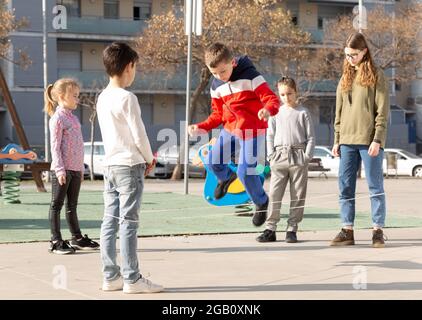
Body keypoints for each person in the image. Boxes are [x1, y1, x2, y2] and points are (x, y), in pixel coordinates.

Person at [188, 43, 280, 226]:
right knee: (213, 161)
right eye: (214, 73)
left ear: (232, 62)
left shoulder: (251, 77)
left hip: (253, 130)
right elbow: (217, 114)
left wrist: (268, 110)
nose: (219, 77)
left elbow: (271, 98)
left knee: (245, 171)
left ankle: (261, 201)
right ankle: (226, 178)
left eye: (223, 71)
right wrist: (201, 127)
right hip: (231, 129)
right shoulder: (216, 86)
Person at [97, 42, 163, 294]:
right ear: (128, 67)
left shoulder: (102, 97)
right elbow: (139, 135)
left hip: (110, 165)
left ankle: (110, 276)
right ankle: (132, 279)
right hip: (130, 164)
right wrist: (150, 158)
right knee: (129, 223)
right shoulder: (128, 98)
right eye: (135, 67)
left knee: (109, 221)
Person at [330, 32, 389, 248]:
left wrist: (378, 139)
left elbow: (382, 111)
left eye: (353, 54)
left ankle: (377, 231)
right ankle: (347, 231)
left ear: (364, 51)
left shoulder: (377, 75)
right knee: (345, 187)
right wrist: (336, 140)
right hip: (346, 141)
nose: (350, 59)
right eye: (346, 55)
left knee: (375, 187)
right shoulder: (345, 78)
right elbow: (338, 112)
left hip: (369, 141)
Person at [257, 77, 315, 243]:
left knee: (297, 194)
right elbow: (270, 135)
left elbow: (310, 137)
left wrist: (306, 157)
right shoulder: (275, 113)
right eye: (282, 94)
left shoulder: (303, 113)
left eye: (289, 93)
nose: (286, 97)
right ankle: (270, 229)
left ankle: (292, 229)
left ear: (295, 92)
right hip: (279, 157)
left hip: (298, 156)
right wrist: (271, 156)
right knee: (275, 193)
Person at [45, 78, 100, 255]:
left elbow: (78, 145)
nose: (77, 99)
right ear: (61, 96)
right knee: (56, 205)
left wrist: (80, 169)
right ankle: (55, 240)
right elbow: (55, 146)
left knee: (72, 205)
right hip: (62, 170)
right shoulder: (57, 119)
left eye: (78, 95)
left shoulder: (74, 119)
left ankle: (76, 238)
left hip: (75, 170)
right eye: (74, 96)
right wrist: (60, 169)